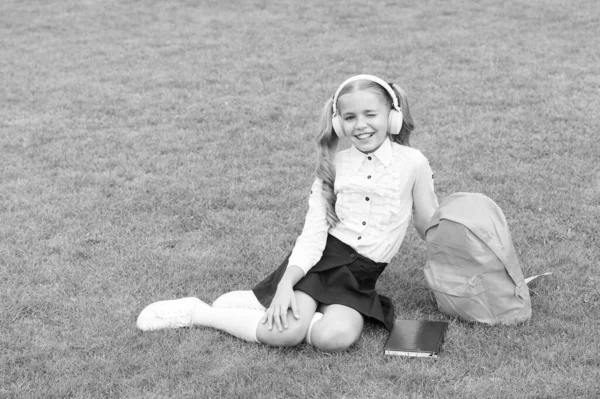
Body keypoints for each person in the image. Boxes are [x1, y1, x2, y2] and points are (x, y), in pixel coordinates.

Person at [136, 74, 439, 352]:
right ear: (338, 124)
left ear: (393, 116)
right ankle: (200, 312)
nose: (361, 125)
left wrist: (458, 261)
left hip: (360, 278)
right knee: (284, 334)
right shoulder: (334, 165)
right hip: (320, 263)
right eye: (350, 117)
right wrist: (285, 285)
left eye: (371, 114)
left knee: (333, 339)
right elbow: (313, 236)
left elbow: (427, 221)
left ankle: (259, 303)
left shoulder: (413, 163)